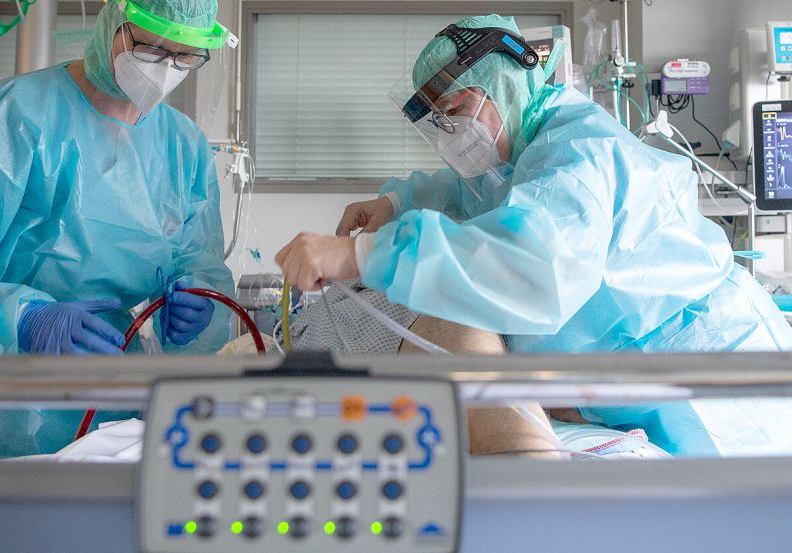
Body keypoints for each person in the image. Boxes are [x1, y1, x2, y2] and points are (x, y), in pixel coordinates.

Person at [276, 14, 792, 456]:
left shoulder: (579, 153)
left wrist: (363, 255)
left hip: (711, 376)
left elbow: (528, 262)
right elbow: (465, 194)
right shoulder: (521, 156)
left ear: (503, 86)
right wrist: (395, 203)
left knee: (735, 518)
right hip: (634, 385)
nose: (448, 135)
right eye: (437, 122)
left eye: (453, 113)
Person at [0, 0, 237, 457]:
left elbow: (196, 256)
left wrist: (196, 301)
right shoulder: (17, 114)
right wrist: (20, 318)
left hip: (109, 394)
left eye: (184, 57)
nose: (166, 69)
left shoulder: (183, 145)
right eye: (149, 48)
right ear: (112, 21)